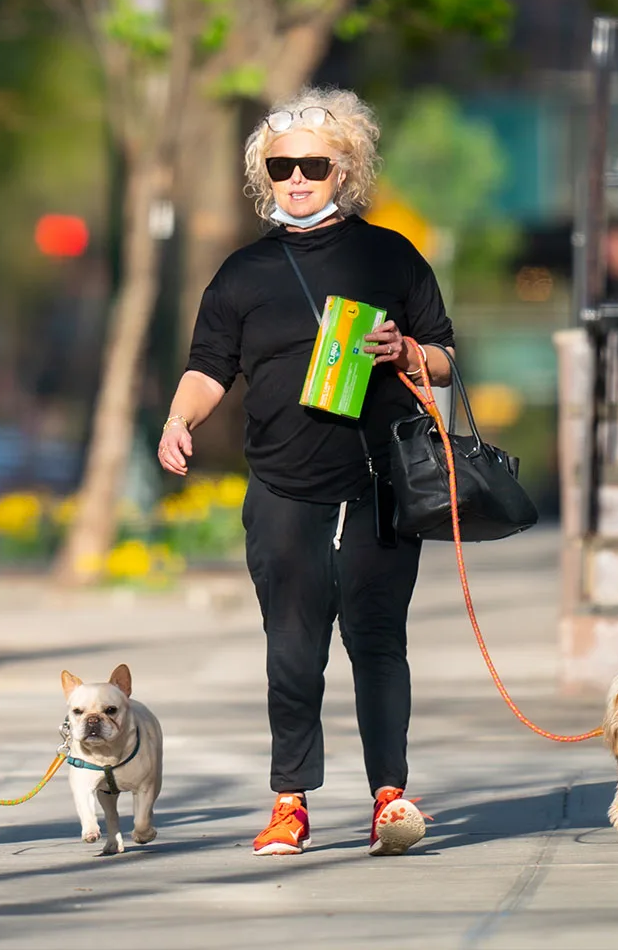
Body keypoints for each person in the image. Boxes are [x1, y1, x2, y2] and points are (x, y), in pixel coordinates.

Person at [158, 86, 456, 857]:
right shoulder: (242, 273)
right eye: (280, 166)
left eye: (313, 166)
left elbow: (447, 356)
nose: (295, 178)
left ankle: (390, 796)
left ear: (345, 170)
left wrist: (409, 354)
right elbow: (207, 368)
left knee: (377, 640)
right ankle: (289, 802)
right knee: (292, 648)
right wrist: (178, 420)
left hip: (379, 481)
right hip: (283, 483)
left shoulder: (389, 255)